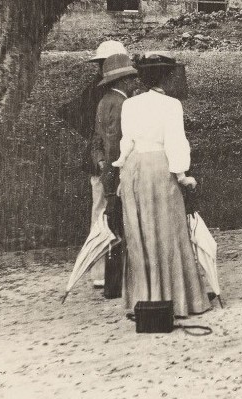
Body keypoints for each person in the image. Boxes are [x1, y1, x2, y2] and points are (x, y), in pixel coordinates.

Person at [112, 58, 212, 317]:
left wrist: (123, 170)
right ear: (167, 77)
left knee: (142, 232)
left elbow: (127, 142)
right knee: (168, 230)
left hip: (134, 169)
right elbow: (175, 142)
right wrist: (182, 176)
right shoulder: (171, 105)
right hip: (159, 168)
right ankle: (176, 299)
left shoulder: (130, 104)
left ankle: (146, 298)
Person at [57, 40, 128, 288]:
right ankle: (100, 271)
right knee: (102, 213)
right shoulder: (101, 92)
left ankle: (110, 270)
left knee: (107, 213)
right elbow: (69, 112)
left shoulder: (102, 90)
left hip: (103, 157)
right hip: (102, 160)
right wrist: (93, 138)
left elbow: (69, 112)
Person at [91, 52, 139, 299]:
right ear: (122, 82)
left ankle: (111, 284)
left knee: (113, 225)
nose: (134, 83)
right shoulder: (125, 104)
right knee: (124, 226)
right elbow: (121, 142)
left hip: (106, 170)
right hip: (121, 169)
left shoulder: (102, 102)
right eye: (130, 79)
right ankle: (122, 282)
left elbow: (97, 139)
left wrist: (101, 162)